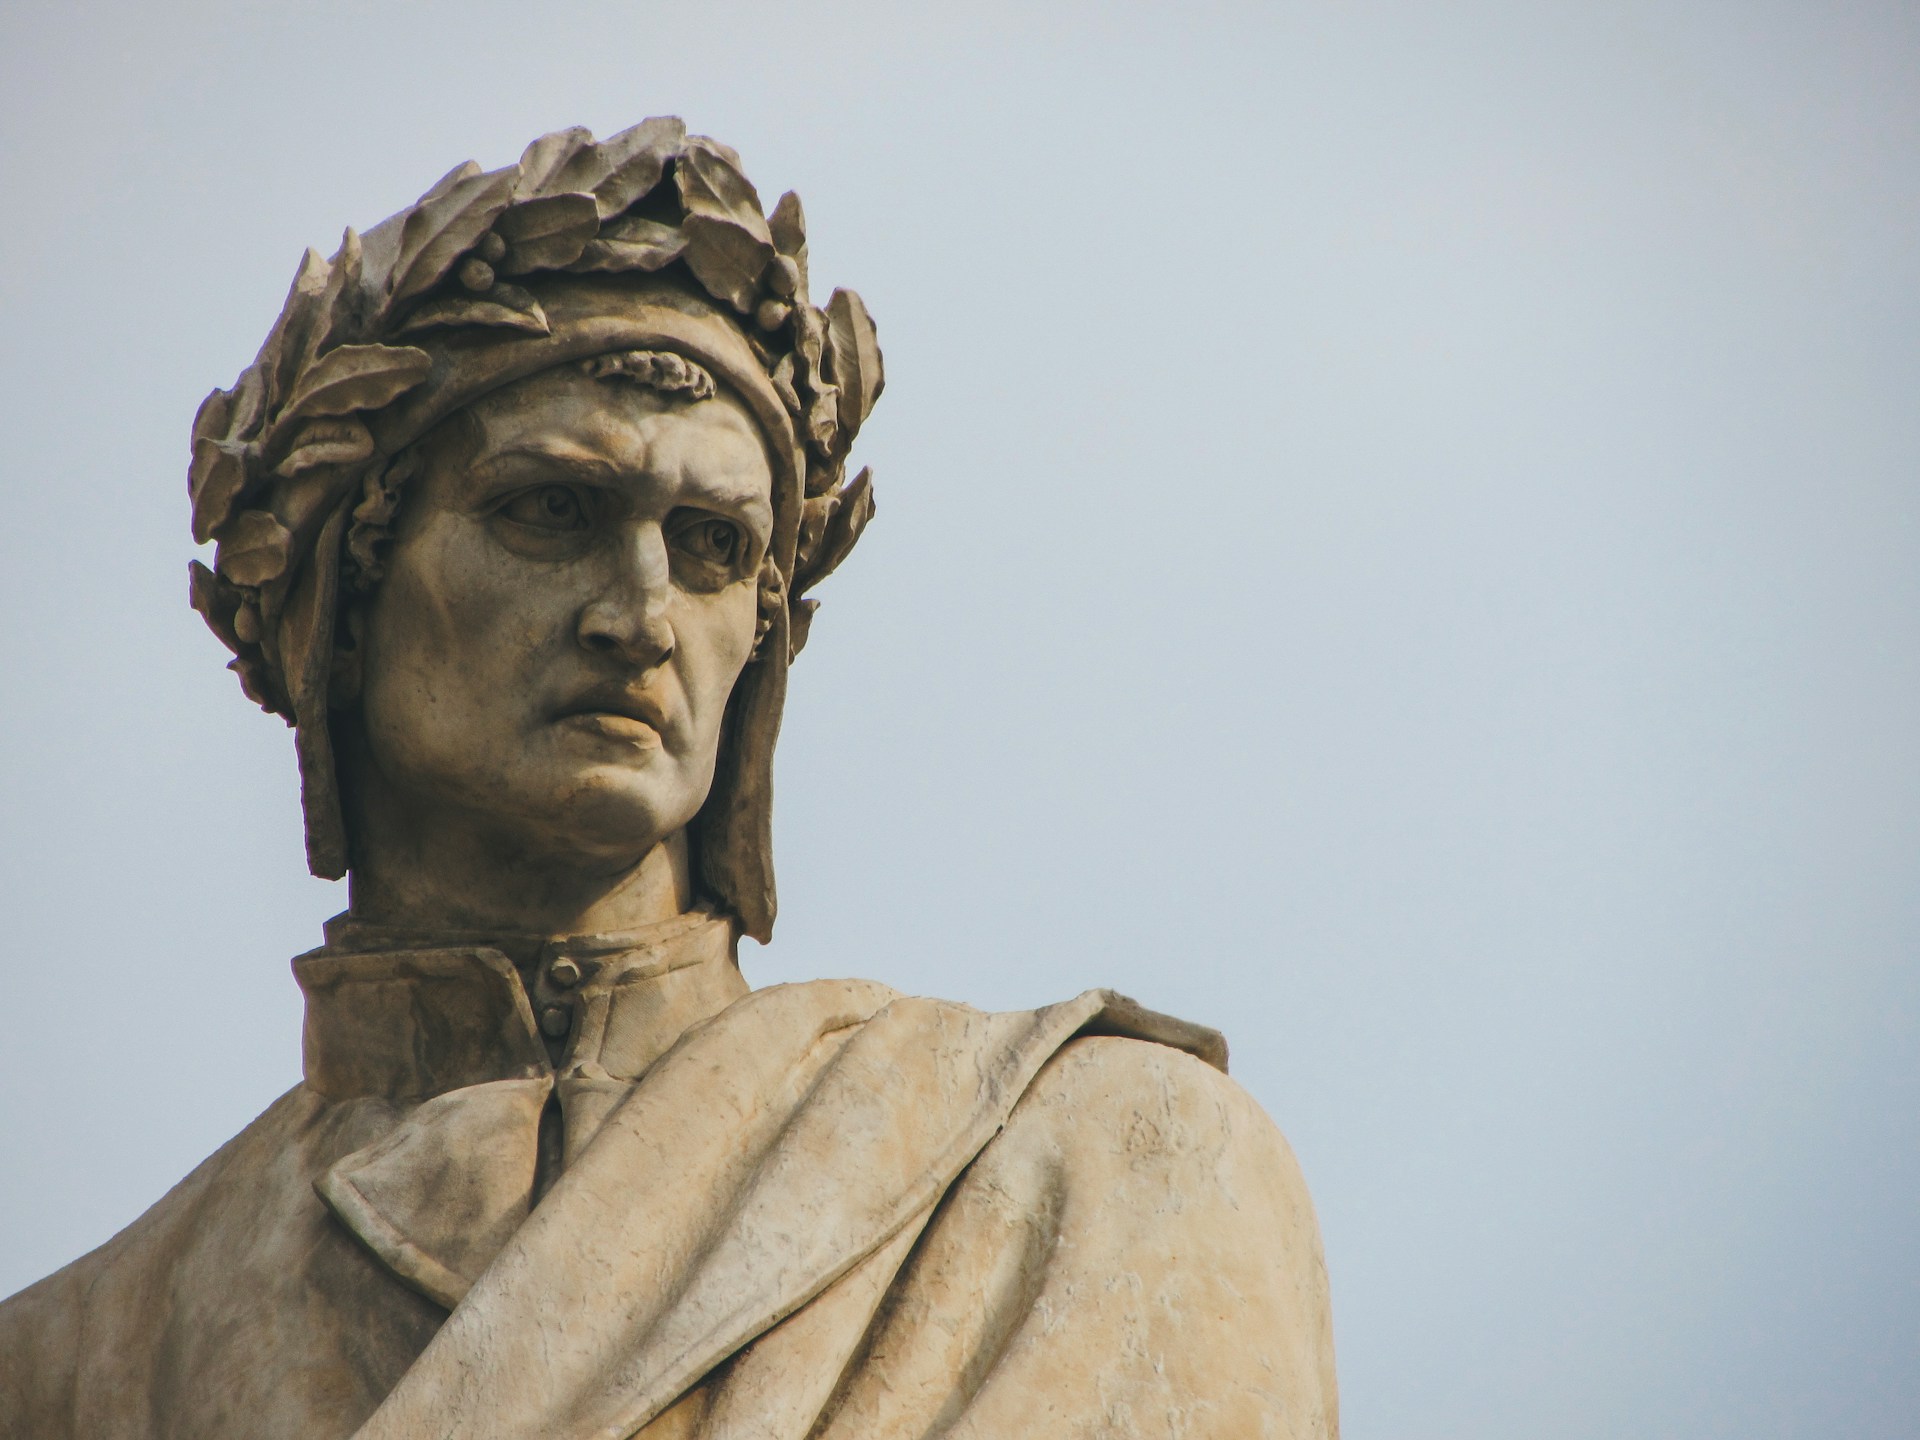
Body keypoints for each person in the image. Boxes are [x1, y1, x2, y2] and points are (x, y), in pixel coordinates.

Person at [0, 120, 1339, 1439]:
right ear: (340, 607)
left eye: (710, 547)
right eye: (550, 512)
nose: (640, 617)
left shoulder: (1111, 1165)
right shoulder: (70, 1368)